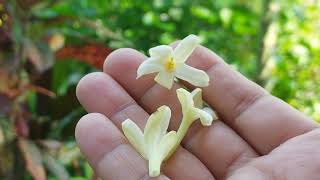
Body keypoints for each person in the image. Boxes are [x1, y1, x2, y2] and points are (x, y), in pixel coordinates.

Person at [75, 46, 320, 180]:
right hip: (157, 145)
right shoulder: (163, 70)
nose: (171, 64)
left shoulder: (182, 75)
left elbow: (195, 76)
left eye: (173, 62)